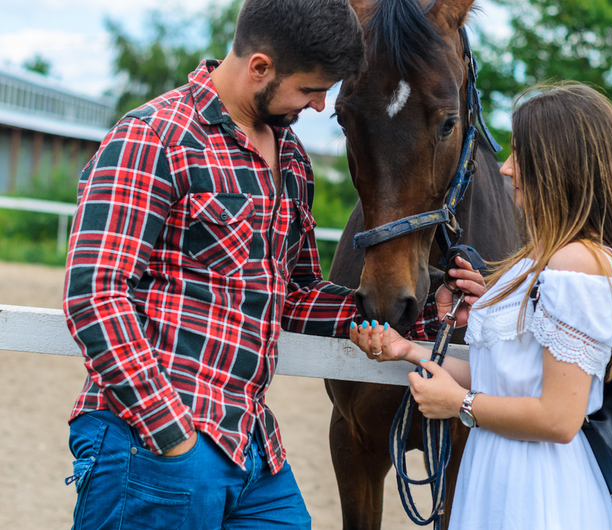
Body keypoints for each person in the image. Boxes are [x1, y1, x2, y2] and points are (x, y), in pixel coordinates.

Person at [61, 1, 468, 528]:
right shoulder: (153, 137)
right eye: (310, 89)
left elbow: (291, 296)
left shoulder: (292, 158)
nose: (321, 106)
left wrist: (418, 315)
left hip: (249, 444)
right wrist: (172, 436)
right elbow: (94, 295)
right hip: (152, 438)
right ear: (260, 68)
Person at [350, 82, 612, 529]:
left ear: (557, 165)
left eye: (519, 155)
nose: (506, 169)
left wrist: (460, 403)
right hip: (500, 473)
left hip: (536, 489)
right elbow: (507, 375)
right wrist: (408, 350)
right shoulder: (538, 259)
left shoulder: (577, 264)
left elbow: (560, 418)